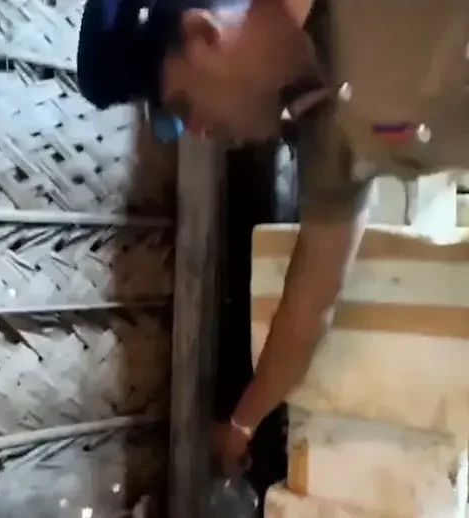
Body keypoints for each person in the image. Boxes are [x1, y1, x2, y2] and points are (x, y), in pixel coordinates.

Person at [77, 0, 469, 474]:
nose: (199, 131)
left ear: (203, 34)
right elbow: (310, 304)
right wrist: (241, 425)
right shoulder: (327, 141)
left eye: (184, 108)